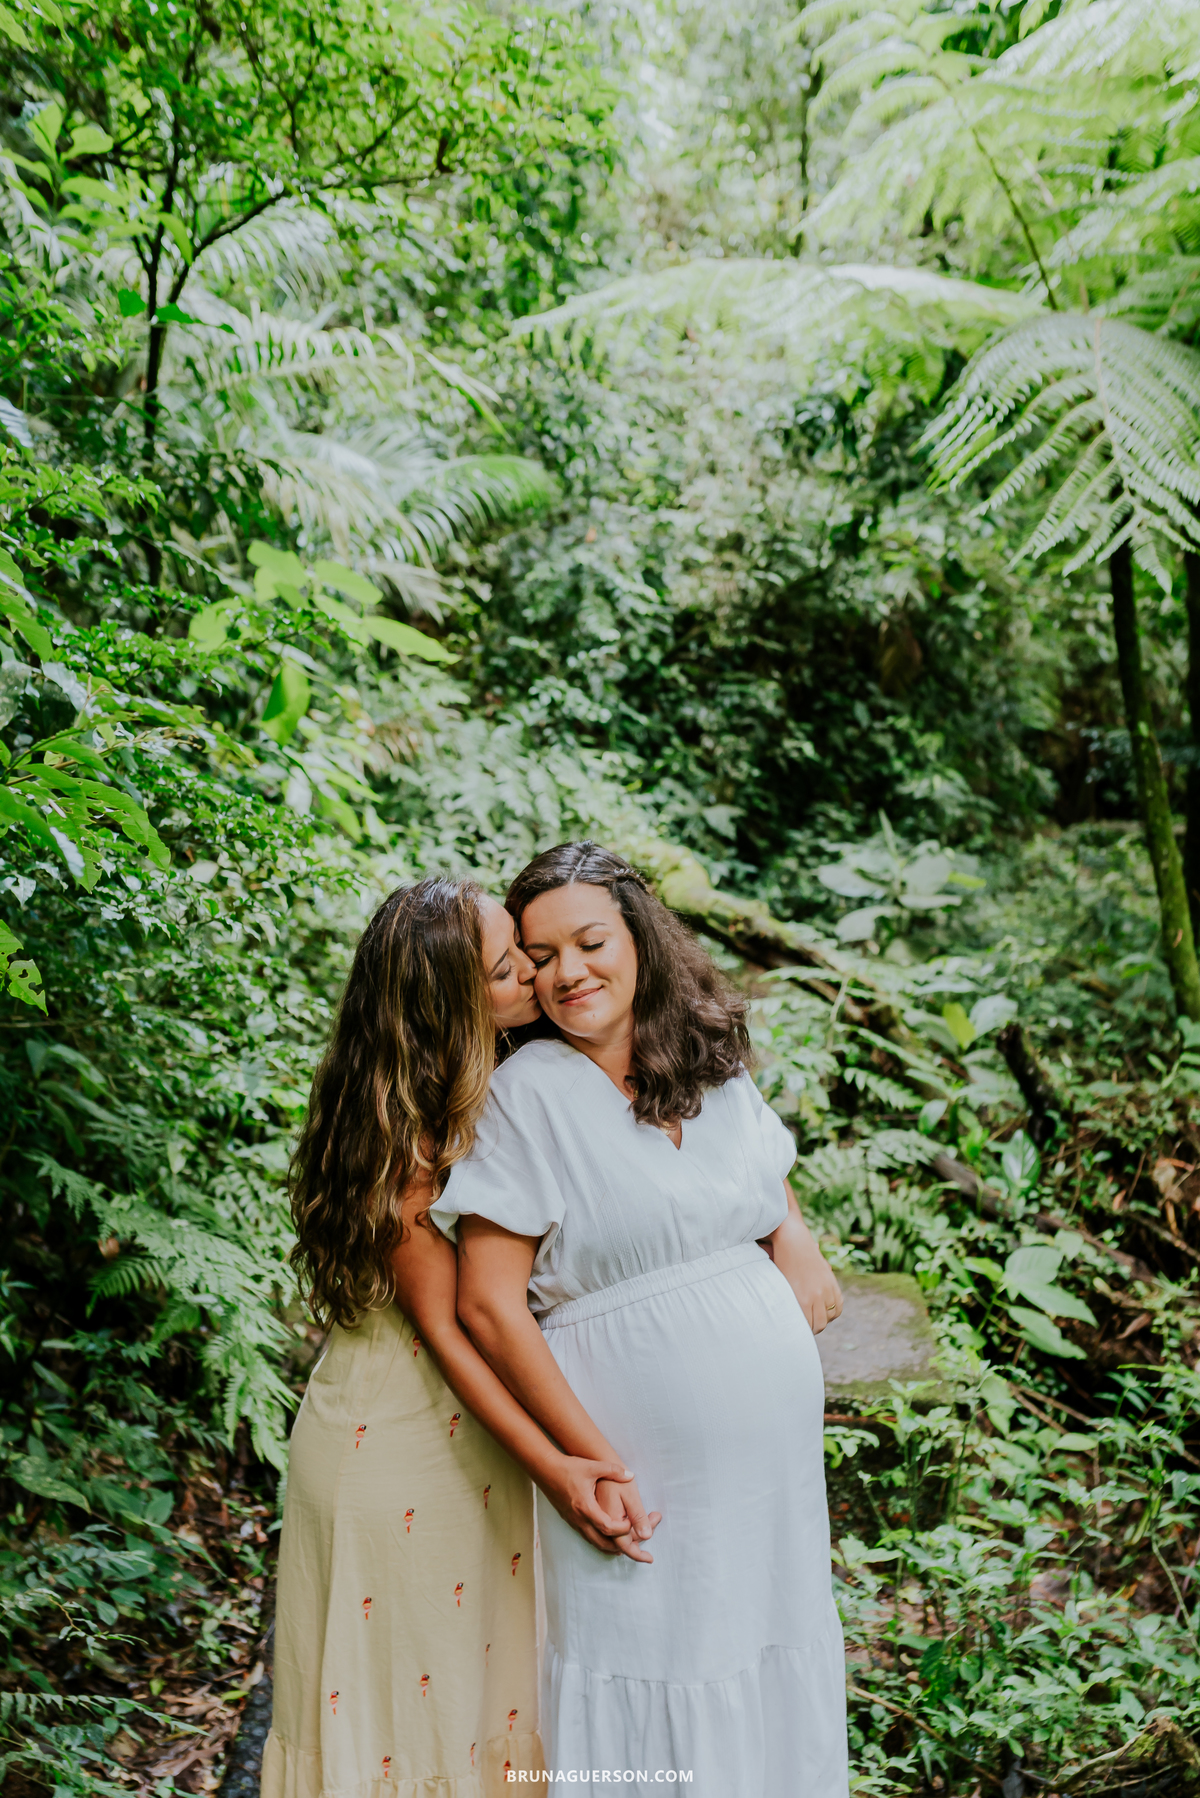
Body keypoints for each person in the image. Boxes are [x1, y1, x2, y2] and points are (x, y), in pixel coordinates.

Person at [432, 842, 850, 1798]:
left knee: (771, 1642)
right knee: (652, 1673)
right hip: (637, 1475)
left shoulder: (709, 1056)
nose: (567, 971)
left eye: (589, 942)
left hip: (770, 1472)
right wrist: (592, 1465)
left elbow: (760, 1177)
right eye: (539, 957)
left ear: (640, 938)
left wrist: (797, 1235)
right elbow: (489, 1306)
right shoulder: (523, 1097)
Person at [263, 876, 659, 1798]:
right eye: (505, 966)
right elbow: (453, 1330)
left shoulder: (485, 1085)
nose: (532, 972)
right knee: (416, 1727)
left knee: (481, 1708)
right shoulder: (402, 1134)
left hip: (465, 1443)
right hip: (399, 1445)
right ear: (449, 1004)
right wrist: (559, 1468)